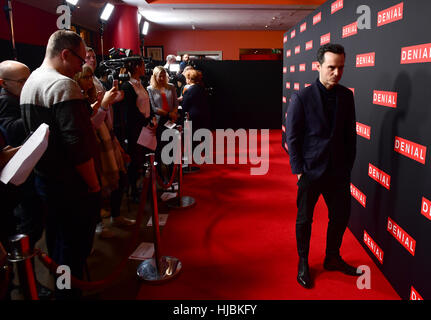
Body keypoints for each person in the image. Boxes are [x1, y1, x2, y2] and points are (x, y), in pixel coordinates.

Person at [20, 30, 101, 299]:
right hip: (72, 185)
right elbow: (77, 145)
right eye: (80, 59)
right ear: (65, 54)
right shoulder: (63, 86)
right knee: (72, 249)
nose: (83, 66)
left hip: (47, 180)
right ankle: (68, 295)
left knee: (57, 243)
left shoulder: (31, 81)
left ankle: (63, 290)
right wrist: (93, 184)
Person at [285, 43, 361, 289]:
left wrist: (348, 165)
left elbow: (350, 134)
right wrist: (298, 170)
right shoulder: (302, 97)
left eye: (340, 68)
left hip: (338, 171)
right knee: (305, 219)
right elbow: (293, 137)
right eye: (331, 67)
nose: (337, 73)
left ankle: (332, 257)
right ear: (318, 67)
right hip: (310, 170)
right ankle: (304, 261)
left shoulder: (346, 96)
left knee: (340, 216)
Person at [114, 58, 156, 201]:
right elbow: (131, 110)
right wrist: (147, 121)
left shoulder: (141, 84)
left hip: (146, 127)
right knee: (135, 160)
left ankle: (145, 187)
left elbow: (147, 105)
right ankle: (133, 191)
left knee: (146, 158)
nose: (145, 68)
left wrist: (152, 119)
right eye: (143, 65)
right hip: (136, 129)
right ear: (137, 67)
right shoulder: (127, 86)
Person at [147, 66, 179, 183]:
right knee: (159, 148)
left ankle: (171, 173)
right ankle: (160, 175)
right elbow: (153, 107)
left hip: (171, 120)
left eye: (163, 75)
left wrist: (174, 113)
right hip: (159, 121)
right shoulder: (150, 89)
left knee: (171, 147)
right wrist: (168, 114)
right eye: (159, 76)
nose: (161, 78)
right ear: (154, 76)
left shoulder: (171, 87)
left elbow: (176, 103)